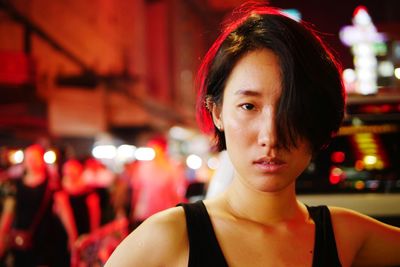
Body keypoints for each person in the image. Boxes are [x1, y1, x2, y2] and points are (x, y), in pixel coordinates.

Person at [105, 2, 400, 266]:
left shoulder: (348, 236)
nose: (270, 135)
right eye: (249, 106)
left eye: (291, 107)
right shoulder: (169, 237)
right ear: (217, 111)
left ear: (318, 117)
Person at [0, 144, 60, 267]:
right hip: (19, 240)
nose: (31, 161)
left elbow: (62, 211)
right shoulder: (15, 186)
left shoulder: (52, 186)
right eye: (28, 158)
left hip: (45, 241)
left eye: (34, 158)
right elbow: (8, 213)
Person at [53, 159, 101, 265]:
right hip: (63, 237)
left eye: (73, 169)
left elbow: (95, 219)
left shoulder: (90, 193)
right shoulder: (60, 193)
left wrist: (93, 237)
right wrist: (72, 239)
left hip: (84, 236)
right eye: (67, 170)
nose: (70, 173)